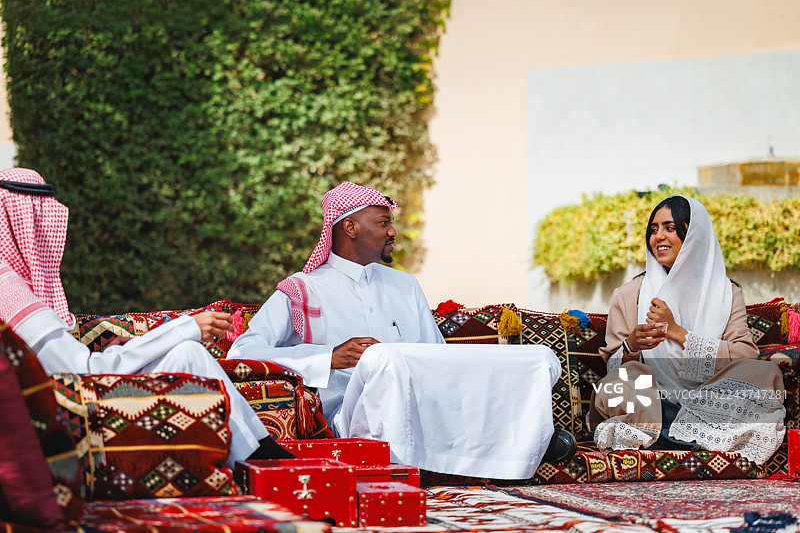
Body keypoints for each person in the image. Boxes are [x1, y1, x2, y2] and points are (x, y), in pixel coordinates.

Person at [229, 181, 571, 478]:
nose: (392, 231)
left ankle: (529, 441)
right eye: (383, 222)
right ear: (350, 227)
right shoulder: (302, 290)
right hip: (346, 417)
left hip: (424, 409)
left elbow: (437, 357)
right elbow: (242, 353)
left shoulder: (404, 286)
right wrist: (328, 357)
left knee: (537, 357)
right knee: (384, 359)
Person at [0, 167, 292, 466]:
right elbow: (83, 375)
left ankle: (261, 458)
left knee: (187, 354)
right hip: (58, 419)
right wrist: (185, 327)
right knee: (187, 350)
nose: (49, 233)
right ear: (18, 220)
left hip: (57, 406)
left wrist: (135, 345)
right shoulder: (8, 290)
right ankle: (264, 465)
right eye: (40, 219)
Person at [587, 194, 786, 465]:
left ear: (694, 236)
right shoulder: (628, 294)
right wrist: (632, 345)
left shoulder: (727, 293)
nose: (658, 237)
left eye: (670, 228)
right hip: (649, 399)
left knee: (765, 373)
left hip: (710, 396)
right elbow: (613, 365)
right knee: (622, 381)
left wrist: (678, 332)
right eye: (653, 230)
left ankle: (673, 432)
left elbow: (744, 354)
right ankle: (683, 432)